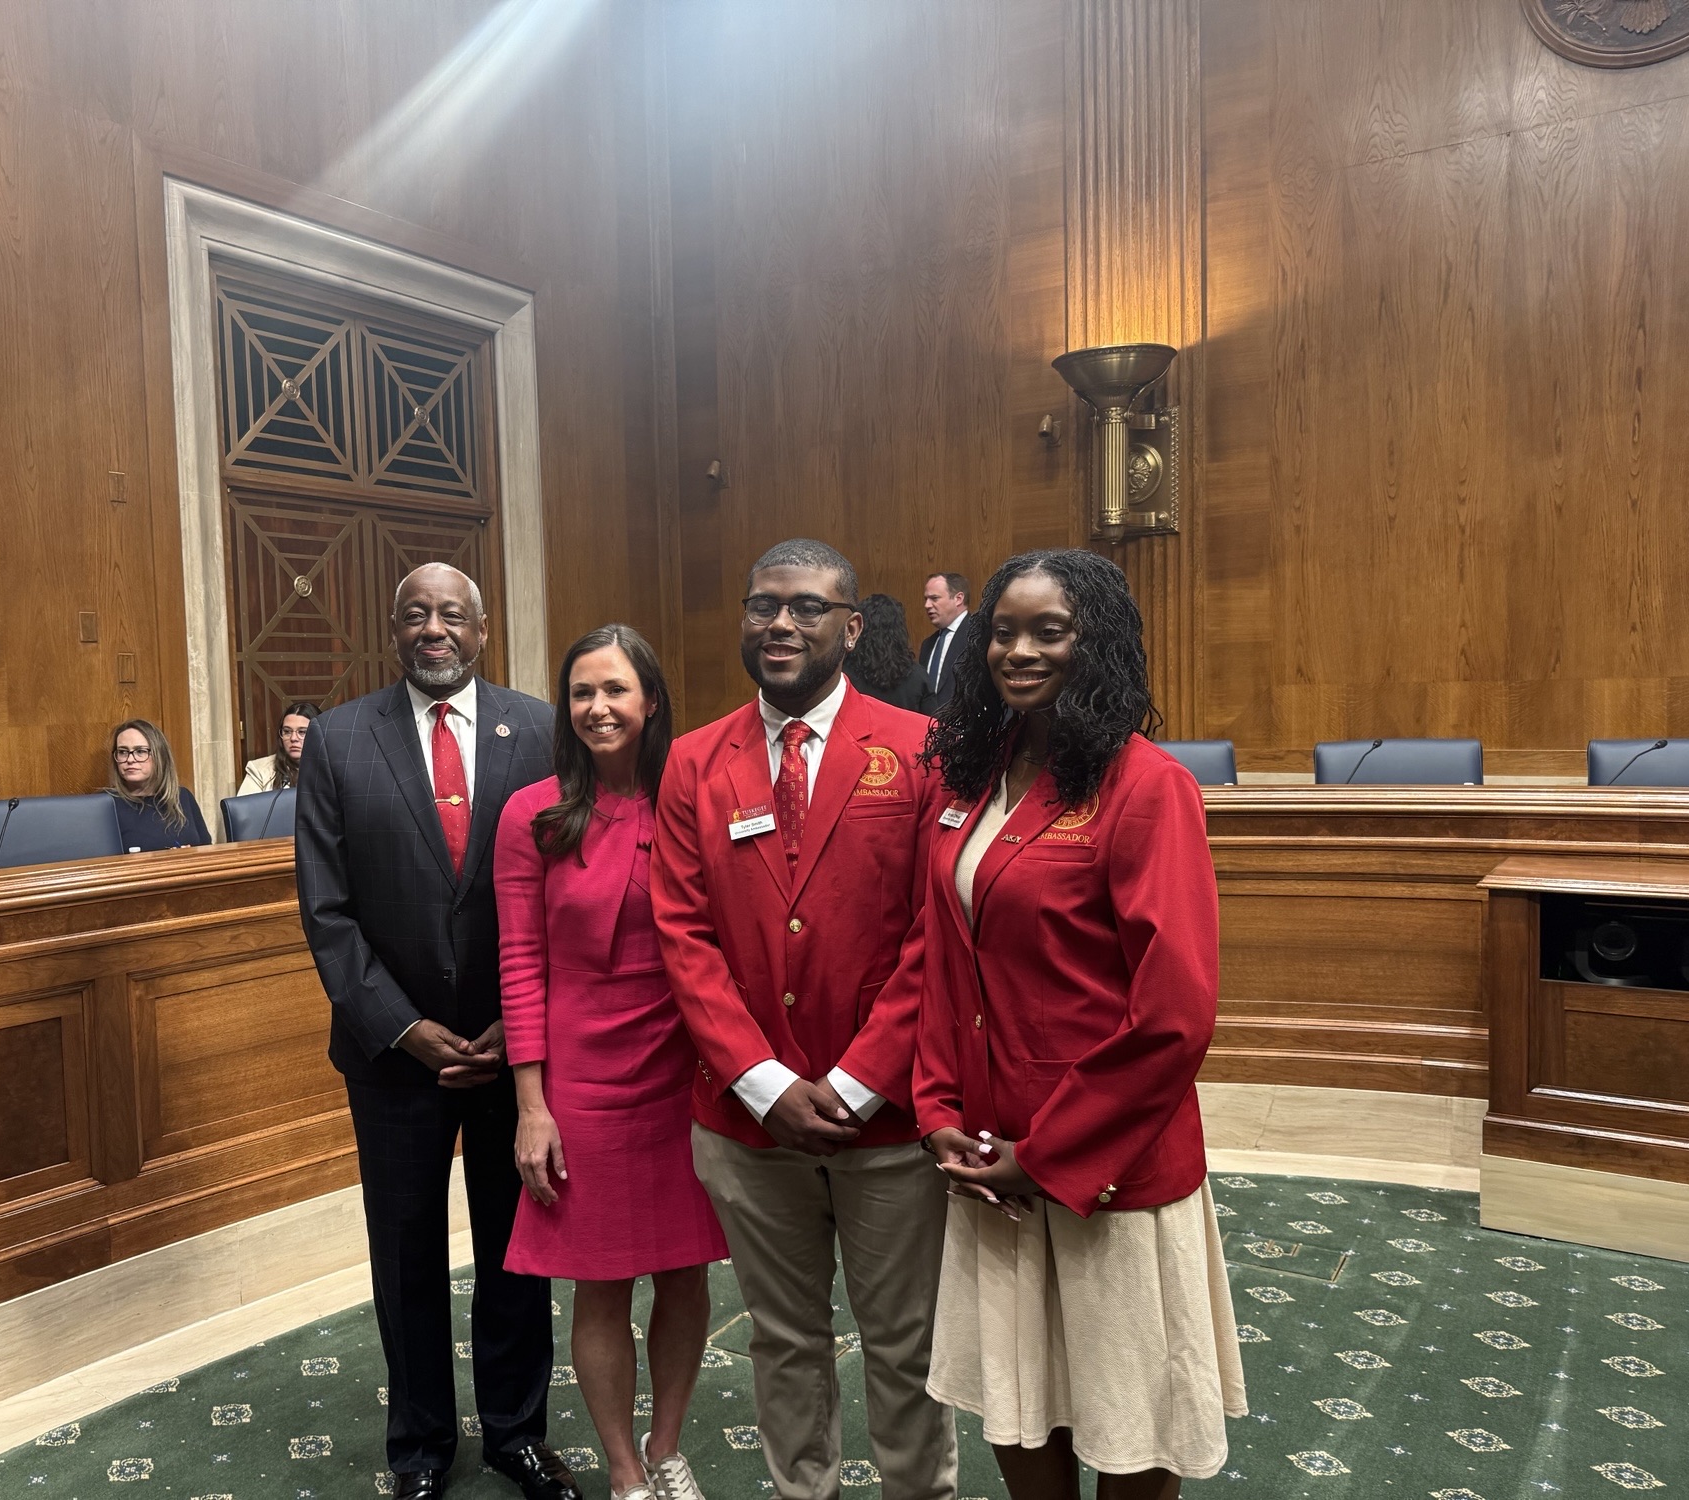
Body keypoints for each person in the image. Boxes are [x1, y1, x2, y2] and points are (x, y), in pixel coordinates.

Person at [915, 549, 1246, 1500]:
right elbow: (944, 961)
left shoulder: (1148, 788)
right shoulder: (975, 776)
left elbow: (1174, 1014)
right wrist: (937, 1107)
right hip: (988, 1158)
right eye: (1003, 632)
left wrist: (1049, 1155)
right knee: (1022, 1400)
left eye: (1048, 631)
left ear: (1093, 643)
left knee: (1129, 1414)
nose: (1019, 651)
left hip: (1106, 1167)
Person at [652, 539, 958, 1500]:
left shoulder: (920, 748)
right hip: (750, 1124)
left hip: (892, 1120)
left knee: (906, 1347)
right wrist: (766, 1081)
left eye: (805, 607)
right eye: (761, 606)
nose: (779, 624)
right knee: (784, 1343)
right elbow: (683, 936)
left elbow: (934, 932)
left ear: (852, 625)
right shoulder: (695, 762)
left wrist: (862, 1080)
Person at [295, 563, 580, 1500]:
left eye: (451, 615)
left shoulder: (541, 728)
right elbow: (327, 913)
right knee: (406, 1251)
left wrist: (520, 1020)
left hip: (515, 1050)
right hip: (394, 1059)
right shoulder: (338, 741)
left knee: (516, 1246)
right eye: (414, 613)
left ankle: (516, 1433)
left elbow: (563, 890)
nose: (433, 629)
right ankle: (418, 1447)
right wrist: (404, 1027)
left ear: (483, 629)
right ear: (393, 629)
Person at [496, 625, 727, 1500]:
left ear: (652, 702)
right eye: (582, 693)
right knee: (600, 1287)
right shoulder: (533, 814)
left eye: (616, 691)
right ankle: (625, 1473)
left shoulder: (692, 799)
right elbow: (520, 963)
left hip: (685, 1070)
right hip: (582, 1083)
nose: (598, 708)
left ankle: (667, 1450)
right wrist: (532, 1105)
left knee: (684, 1270)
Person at [107, 719, 212, 849]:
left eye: (140, 751)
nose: (130, 759)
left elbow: (206, 848)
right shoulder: (105, 804)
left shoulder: (182, 796)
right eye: (122, 752)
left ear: (159, 755)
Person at [844, 593, 936, 713]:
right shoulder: (918, 677)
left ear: (860, 628)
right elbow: (933, 726)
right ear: (900, 632)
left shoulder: (843, 675)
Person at [238, 700, 321, 793]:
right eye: (287, 731)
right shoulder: (259, 770)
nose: (293, 738)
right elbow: (246, 807)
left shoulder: (335, 769)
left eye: (302, 732)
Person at [919, 571, 970, 709]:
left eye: (934, 598)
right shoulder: (927, 645)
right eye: (926, 599)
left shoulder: (978, 636)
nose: (927, 605)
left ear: (958, 599)